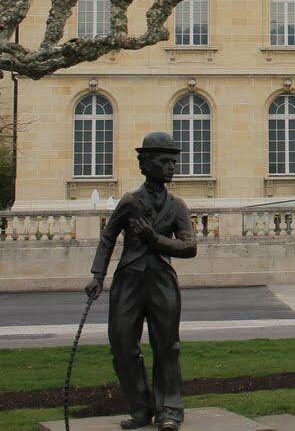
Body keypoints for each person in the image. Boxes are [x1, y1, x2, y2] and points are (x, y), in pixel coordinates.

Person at [85, 132, 197, 430]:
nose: (172, 166)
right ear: (145, 165)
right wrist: (98, 276)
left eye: (174, 161)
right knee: (122, 346)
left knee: (167, 347)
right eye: (165, 161)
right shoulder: (130, 202)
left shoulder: (177, 206)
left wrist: (154, 239)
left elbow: (190, 247)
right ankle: (140, 408)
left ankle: (169, 410)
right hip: (128, 282)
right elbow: (108, 237)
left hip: (161, 281)